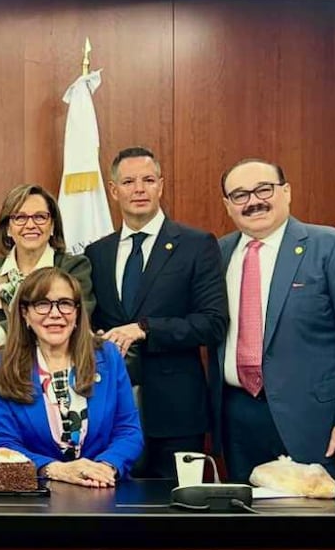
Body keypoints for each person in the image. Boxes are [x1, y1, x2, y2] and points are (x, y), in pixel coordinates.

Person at [212, 159, 335, 483]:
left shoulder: (330, 246)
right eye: (239, 195)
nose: (253, 201)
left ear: (286, 192)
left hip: (317, 423)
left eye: (263, 189)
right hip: (238, 418)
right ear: (227, 206)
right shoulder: (217, 254)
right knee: (247, 526)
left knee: (315, 529)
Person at [84, 147, 228, 479]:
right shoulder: (97, 252)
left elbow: (213, 323)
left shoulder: (196, 244)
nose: (139, 189)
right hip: (111, 410)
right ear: (113, 189)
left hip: (177, 414)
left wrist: (144, 328)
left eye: (148, 180)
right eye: (129, 181)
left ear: (161, 186)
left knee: (177, 518)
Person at [0, 268, 144, 487]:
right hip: (37, 494)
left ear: (78, 312)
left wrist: (105, 467)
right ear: (25, 313)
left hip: (104, 488)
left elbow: (128, 431)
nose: (55, 314)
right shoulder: (2, 365)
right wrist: (55, 469)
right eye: (42, 304)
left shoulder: (107, 356)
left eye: (65, 303)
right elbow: (4, 443)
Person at [0, 184, 94, 352]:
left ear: (52, 227)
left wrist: (3, 332)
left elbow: (78, 316)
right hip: (0, 371)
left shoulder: (74, 268)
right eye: (20, 218)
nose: (30, 225)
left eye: (40, 217)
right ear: (8, 228)